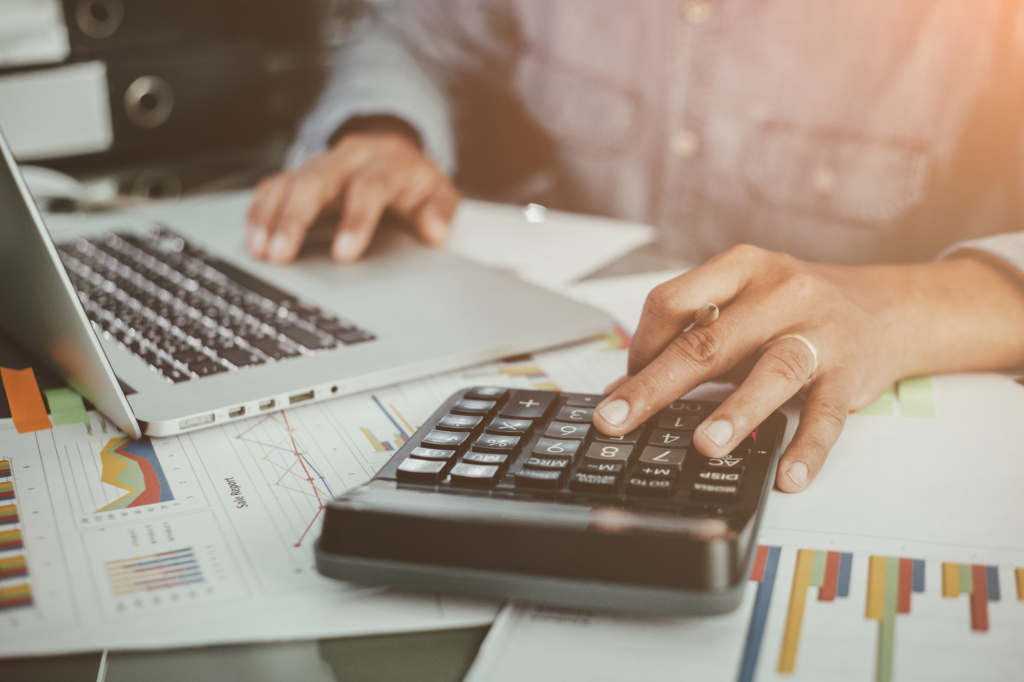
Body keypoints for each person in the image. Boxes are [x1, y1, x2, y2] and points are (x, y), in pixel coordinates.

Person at [244, 0, 1024, 493]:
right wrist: (385, 128)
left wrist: (891, 307)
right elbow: (413, 34)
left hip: (883, 445)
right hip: (565, 370)